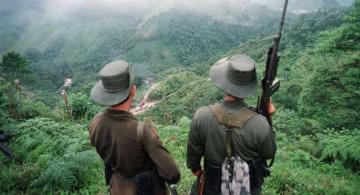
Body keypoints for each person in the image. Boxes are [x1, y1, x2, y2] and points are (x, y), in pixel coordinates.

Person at [186, 54, 276, 195]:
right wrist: (268, 118)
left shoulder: (201, 116)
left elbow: (194, 157)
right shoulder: (260, 123)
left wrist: (196, 168)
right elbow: (269, 153)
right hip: (247, 188)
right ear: (248, 88)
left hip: (212, 185)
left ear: (225, 82)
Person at [88, 60, 180, 195]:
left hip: (117, 188)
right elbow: (172, 173)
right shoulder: (141, 130)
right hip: (146, 190)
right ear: (133, 90)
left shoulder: (95, 123)